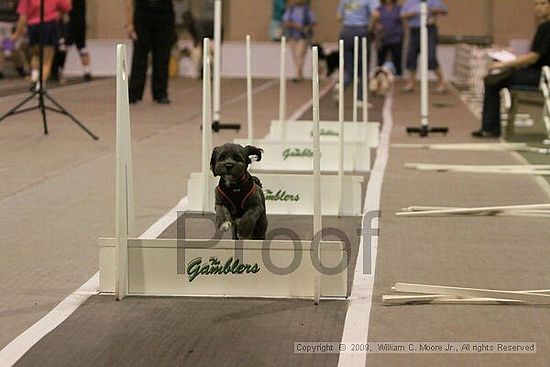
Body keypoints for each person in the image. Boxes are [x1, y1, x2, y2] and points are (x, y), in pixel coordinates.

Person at [472, 0, 550, 138]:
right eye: (536, 4)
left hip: (541, 76)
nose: (538, 7)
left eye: (543, 3)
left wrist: (503, 64)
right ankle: (491, 127)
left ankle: (490, 128)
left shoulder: (545, 28)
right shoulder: (543, 27)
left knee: (492, 81)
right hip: (537, 73)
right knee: (501, 77)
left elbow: (533, 57)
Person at [12, 0, 71, 90]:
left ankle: (34, 79)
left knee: (36, 54)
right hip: (48, 24)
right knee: (47, 58)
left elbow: (23, 15)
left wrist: (17, 32)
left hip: (33, 26)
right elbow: (66, 7)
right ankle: (40, 85)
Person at [126, 0, 175, 104]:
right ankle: (134, 93)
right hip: (143, 14)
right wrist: (129, 22)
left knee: (162, 55)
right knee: (139, 55)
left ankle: (160, 93)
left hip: (164, 14)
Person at [336, 0, 380, 105]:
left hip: (346, 31)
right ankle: (360, 99)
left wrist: (350, 18)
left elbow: (338, 16)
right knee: (363, 67)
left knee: (348, 66)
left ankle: (341, 85)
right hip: (361, 30)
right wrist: (370, 27)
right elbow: (376, 14)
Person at [400, 0, 447, 93]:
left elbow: (444, 10)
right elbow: (402, 15)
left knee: (430, 57)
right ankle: (410, 83)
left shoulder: (433, 1)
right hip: (414, 30)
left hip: (429, 29)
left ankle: (441, 81)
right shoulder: (410, 2)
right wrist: (413, 14)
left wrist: (428, 10)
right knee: (411, 56)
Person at [52, 0, 92, 83]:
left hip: (72, 23)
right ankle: (87, 71)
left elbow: (66, 6)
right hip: (81, 22)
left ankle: (58, 70)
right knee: (82, 47)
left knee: (65, 47)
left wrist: (59, 15)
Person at [282, 0, 315, 82]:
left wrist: (307, 27)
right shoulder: (290, 9)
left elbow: (313, 21)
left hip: (303, 36)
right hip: (292, 35)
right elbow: (285, 21)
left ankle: (297, 75)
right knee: (295, 56)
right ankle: (299, 73)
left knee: (299, 54)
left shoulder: (307, 10)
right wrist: (295, 25)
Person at [373, 0, 403, 77]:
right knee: (380, 59)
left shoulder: (398, 8)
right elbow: (374, 22)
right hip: (383, 38)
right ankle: (379, 76)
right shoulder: (379, 9)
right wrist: (377, 26)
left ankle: (398, 76)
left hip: (396, 37)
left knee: (397, 58)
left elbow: (403, 22)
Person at [0, 0, 18, 79]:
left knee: (9, 49)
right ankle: (0, 70)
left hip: (11, 24)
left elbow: (19, 11)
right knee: (1, 48)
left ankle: (19, 66)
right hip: (2, 23)